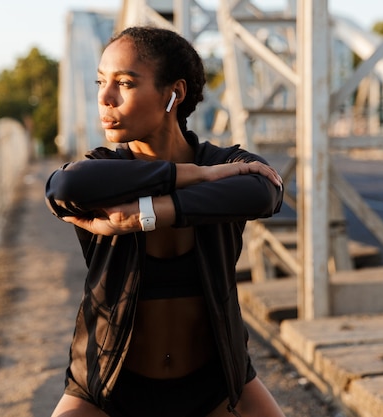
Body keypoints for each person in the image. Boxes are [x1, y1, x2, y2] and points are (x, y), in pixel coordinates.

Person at [45, 26, 286, 417]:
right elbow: (63, 185)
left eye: (124, 83)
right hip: (109, 387)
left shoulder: (223, 163)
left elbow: (266, 191)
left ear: (174, 93)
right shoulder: (106, 170)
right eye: (100, 82)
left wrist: (146, 216)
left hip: (216, 387)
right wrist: (191, 175)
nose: (105, 98)